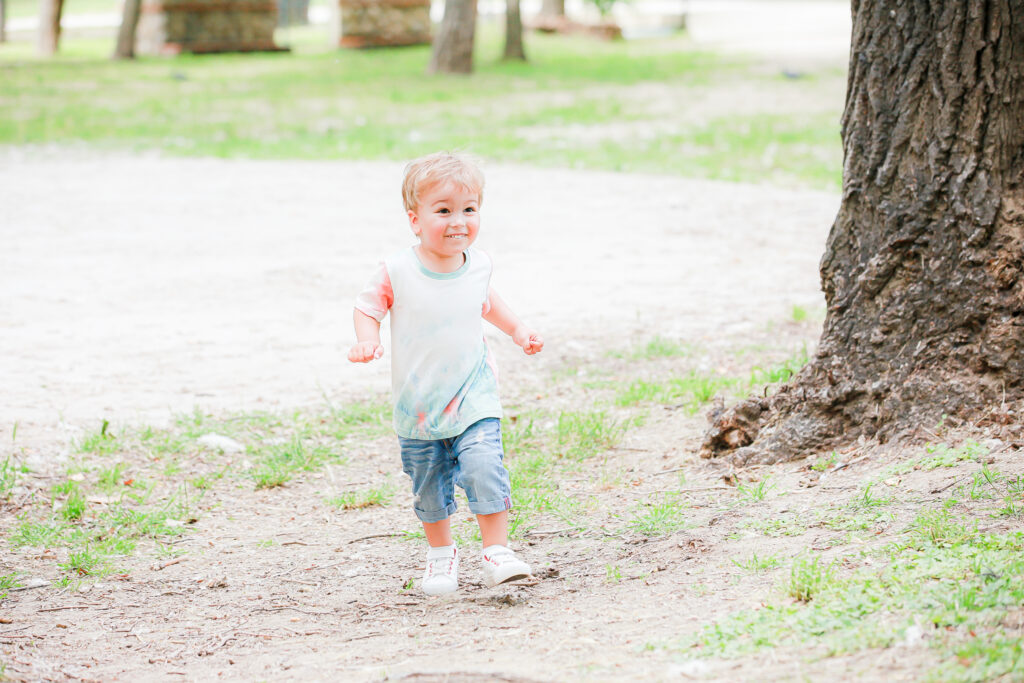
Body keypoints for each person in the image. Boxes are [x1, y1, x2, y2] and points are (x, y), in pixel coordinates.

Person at [348, 152, 544, 596]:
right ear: (415, 220)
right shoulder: (397, 270)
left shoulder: (477, 264)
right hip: (418, 404)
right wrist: (366, 339)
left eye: (469, 209)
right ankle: (441, 555)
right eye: (444, 211)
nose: (459, 221)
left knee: (483, 464)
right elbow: (366, 307)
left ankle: (497, 552)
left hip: (473, 391)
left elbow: (487, 302)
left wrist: (519, 329)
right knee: (428, 485)